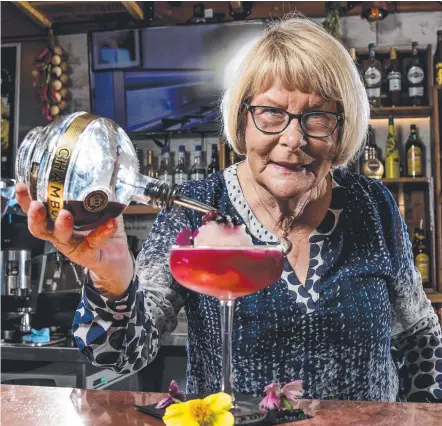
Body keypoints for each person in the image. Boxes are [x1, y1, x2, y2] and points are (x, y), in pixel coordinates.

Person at [16, 17, 442, 402]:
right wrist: (111, 280)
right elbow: (120, 357)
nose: (293, 139)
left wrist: (424, 424)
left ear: (341, 129)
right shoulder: (195, 210)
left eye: (316, 117)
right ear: (241, 121)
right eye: (271, 113)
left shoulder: (372, 205)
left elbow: (420, 337)